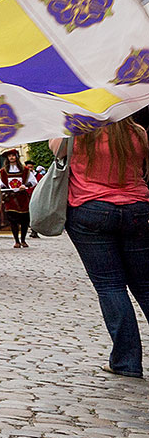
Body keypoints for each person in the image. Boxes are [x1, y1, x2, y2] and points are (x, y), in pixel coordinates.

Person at [62, 119, 149, 377]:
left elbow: (58, 154)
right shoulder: (138, 132)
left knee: (110, 286)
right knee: (145, 286)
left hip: (90, 210)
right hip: (137, 209)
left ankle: (126, 362)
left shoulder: (74, 132)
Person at [0, 151, 32, 248]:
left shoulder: (25, 170)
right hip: (11, 198)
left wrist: (25, 185)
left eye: (13, 155)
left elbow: (32, 181)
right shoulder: (3, 171)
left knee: (25, 221)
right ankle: (16, 241)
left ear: (16, 157)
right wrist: (5, 188)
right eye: (9, 156)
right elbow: (1, 184)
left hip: (22, 197)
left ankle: (23, 240)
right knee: (13, 221)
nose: (11, 157)